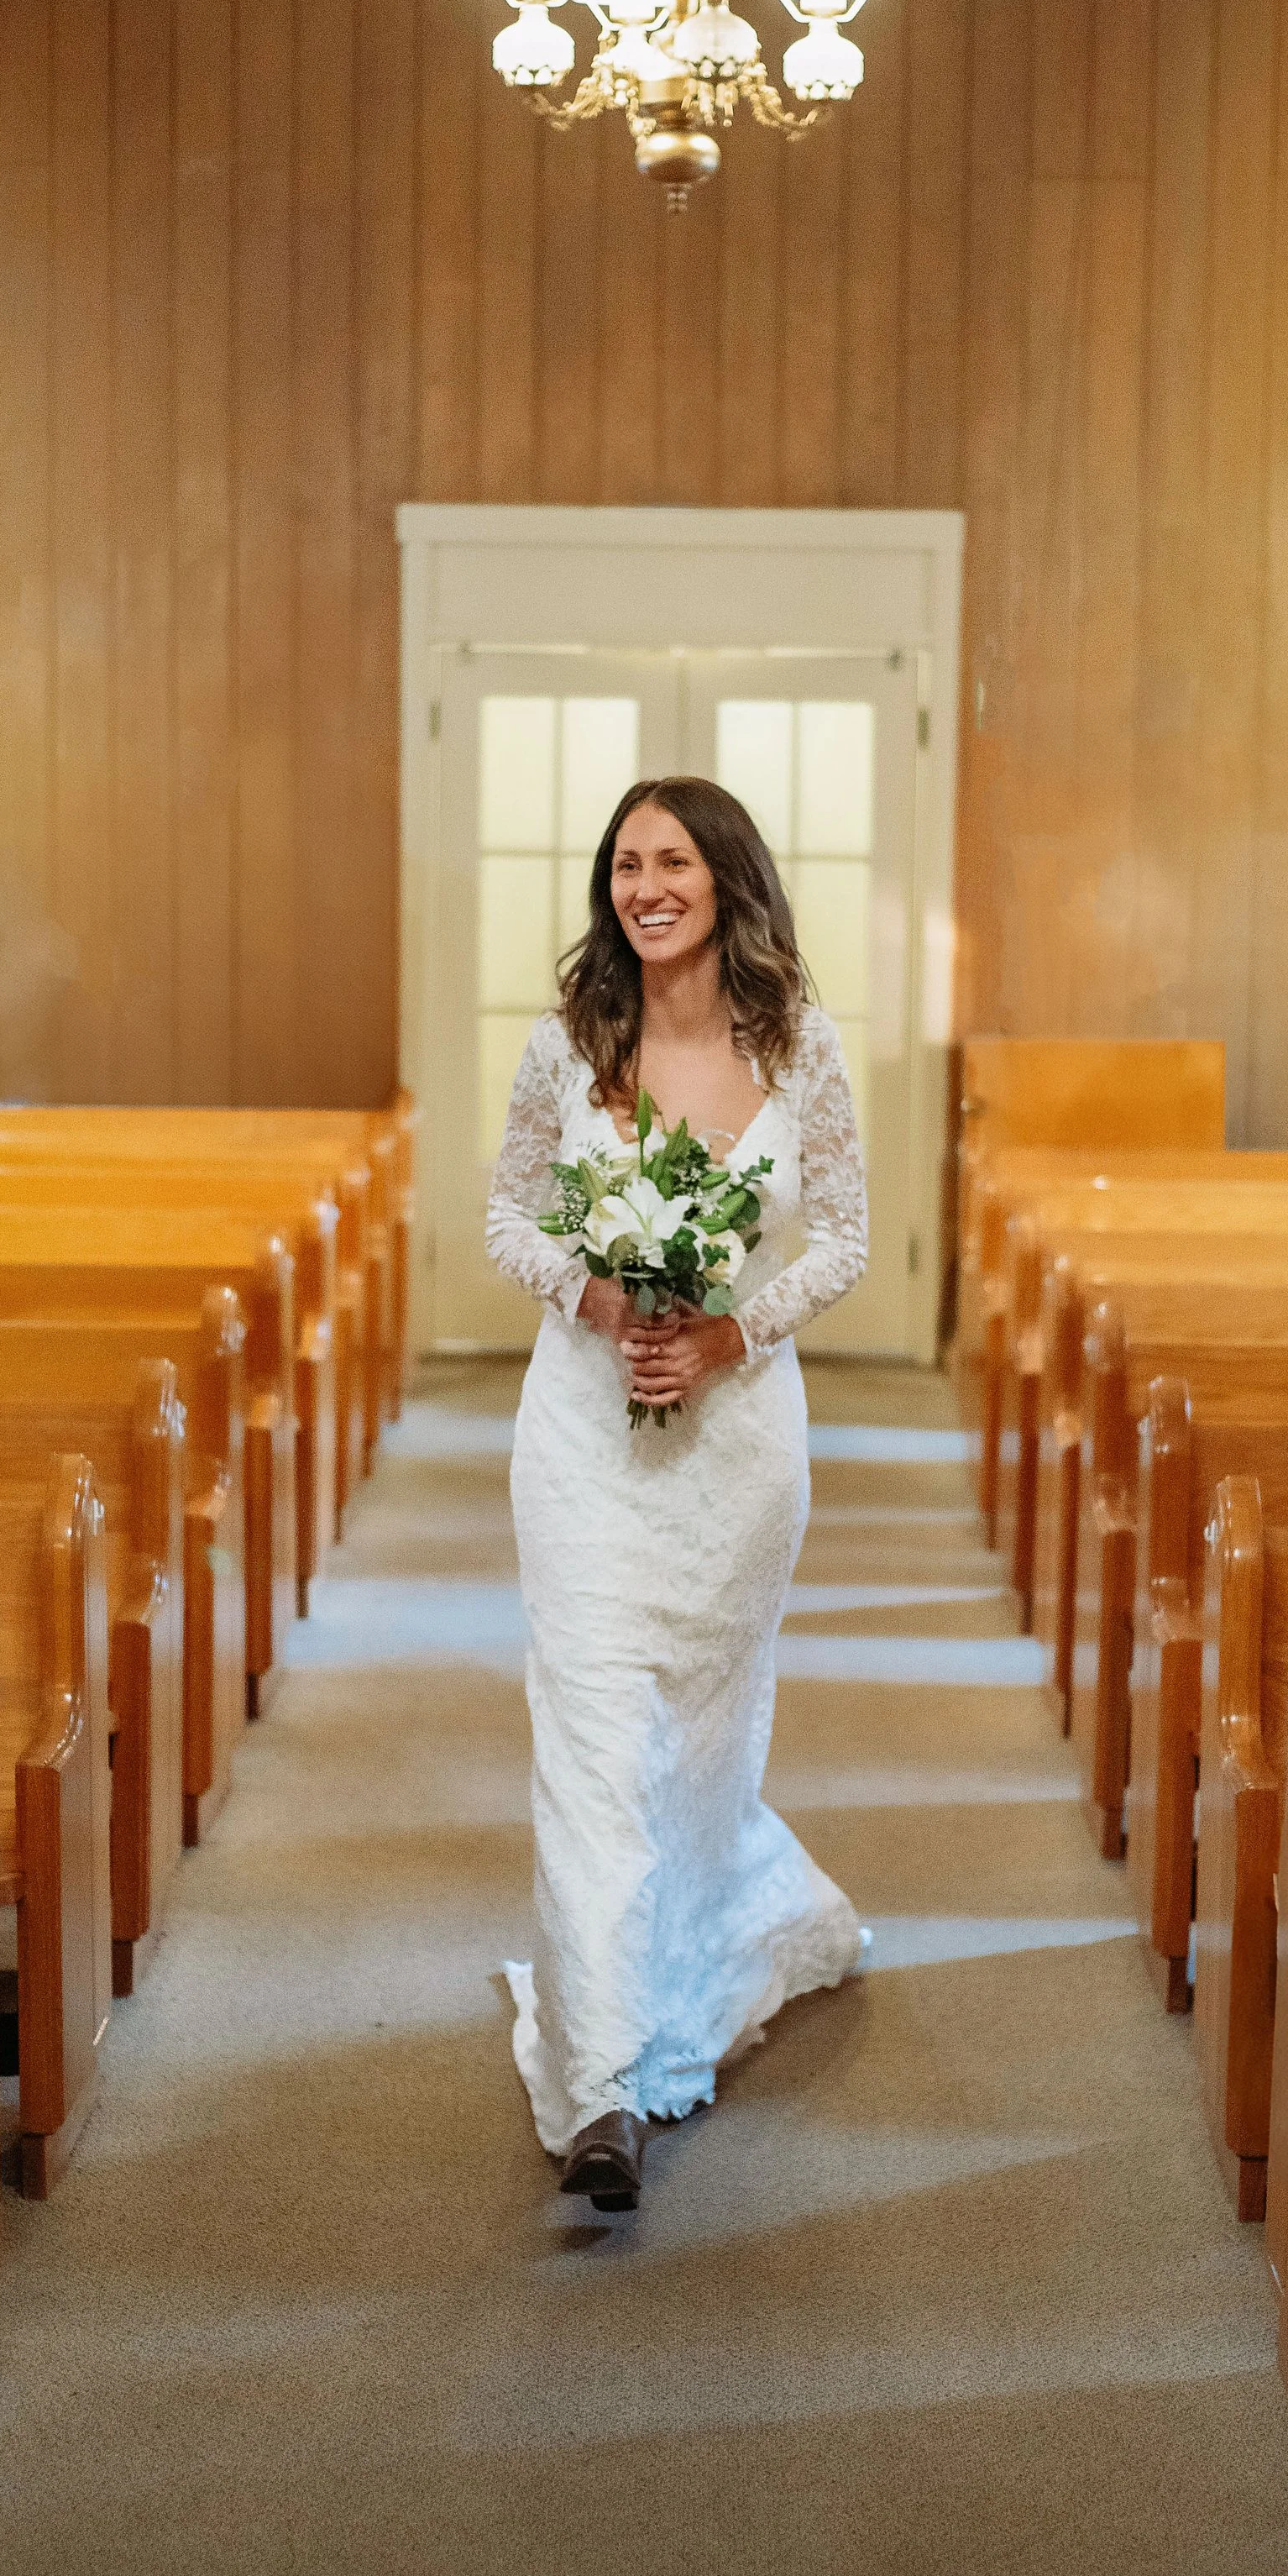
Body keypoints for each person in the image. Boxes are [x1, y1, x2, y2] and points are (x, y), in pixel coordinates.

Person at [484, 773, 870, 2213]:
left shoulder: (802, 1047)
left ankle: (687, 1964)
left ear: (725, 881)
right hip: (582, 1441)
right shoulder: (569, 1044)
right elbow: (507, 1213)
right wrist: (597, 1295)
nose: (647, 885)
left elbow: (842, 1240)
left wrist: (728, 1329)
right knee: (589, 1741)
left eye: (674, 862)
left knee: (696, 1756)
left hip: (736, 1451)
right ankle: (602, 2089)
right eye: (626, 864)